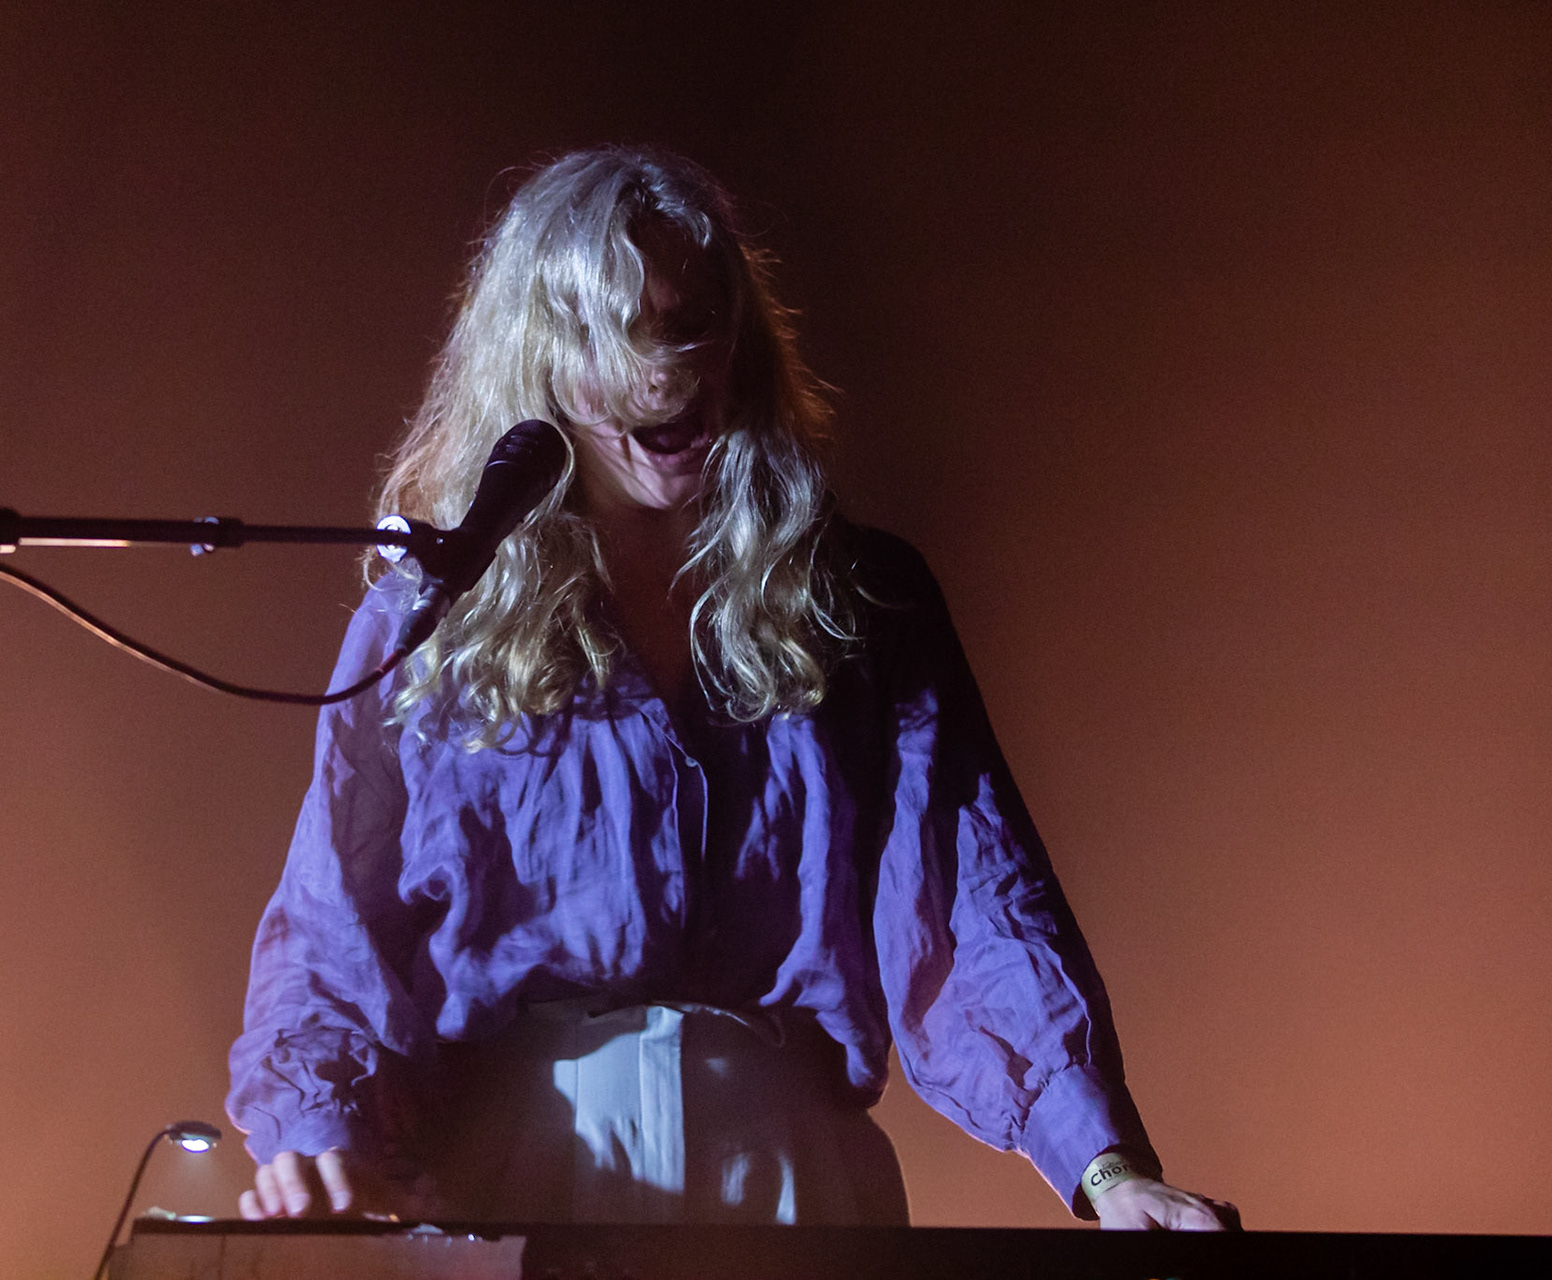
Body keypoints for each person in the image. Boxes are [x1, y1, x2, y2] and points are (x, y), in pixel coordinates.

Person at [226, 147, 1236, 1230]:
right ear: (538, 357)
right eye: (624, 332)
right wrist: (315, 1138)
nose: (668, 370)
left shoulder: (862, 601)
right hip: (513, 1172)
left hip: (789, 1174)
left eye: (695, 319)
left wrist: (1107, 1166)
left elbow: (973, 897)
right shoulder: (431, 617)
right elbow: (334, 920)